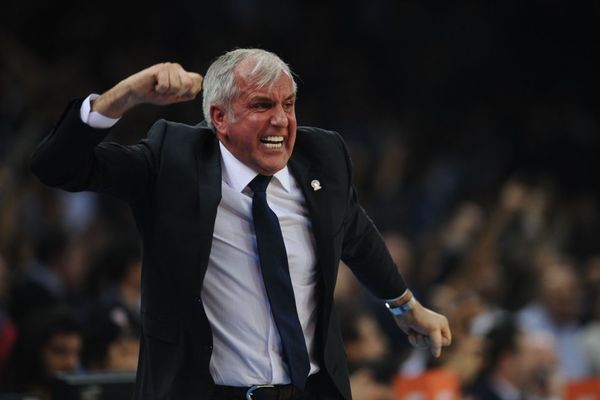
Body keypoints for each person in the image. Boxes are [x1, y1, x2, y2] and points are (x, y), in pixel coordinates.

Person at [31, 48, 451, 400]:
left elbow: (356, 235)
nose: (281, 120)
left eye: (288, 104)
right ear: (219, 117)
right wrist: (126, 96)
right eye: (262, 105)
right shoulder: (173, 161)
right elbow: (56, 167)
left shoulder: (322, 157)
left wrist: (406, 306)